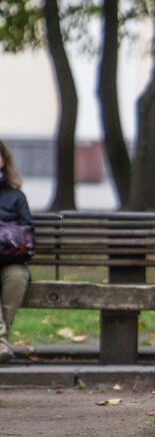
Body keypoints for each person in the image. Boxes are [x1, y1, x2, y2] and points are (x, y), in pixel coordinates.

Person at [0, 140, 33, 363]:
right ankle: (1, 342)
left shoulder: (16, 196)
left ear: (3, 161)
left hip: (10, 260)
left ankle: (1, 340)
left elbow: (28, 233)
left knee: (18, 276)